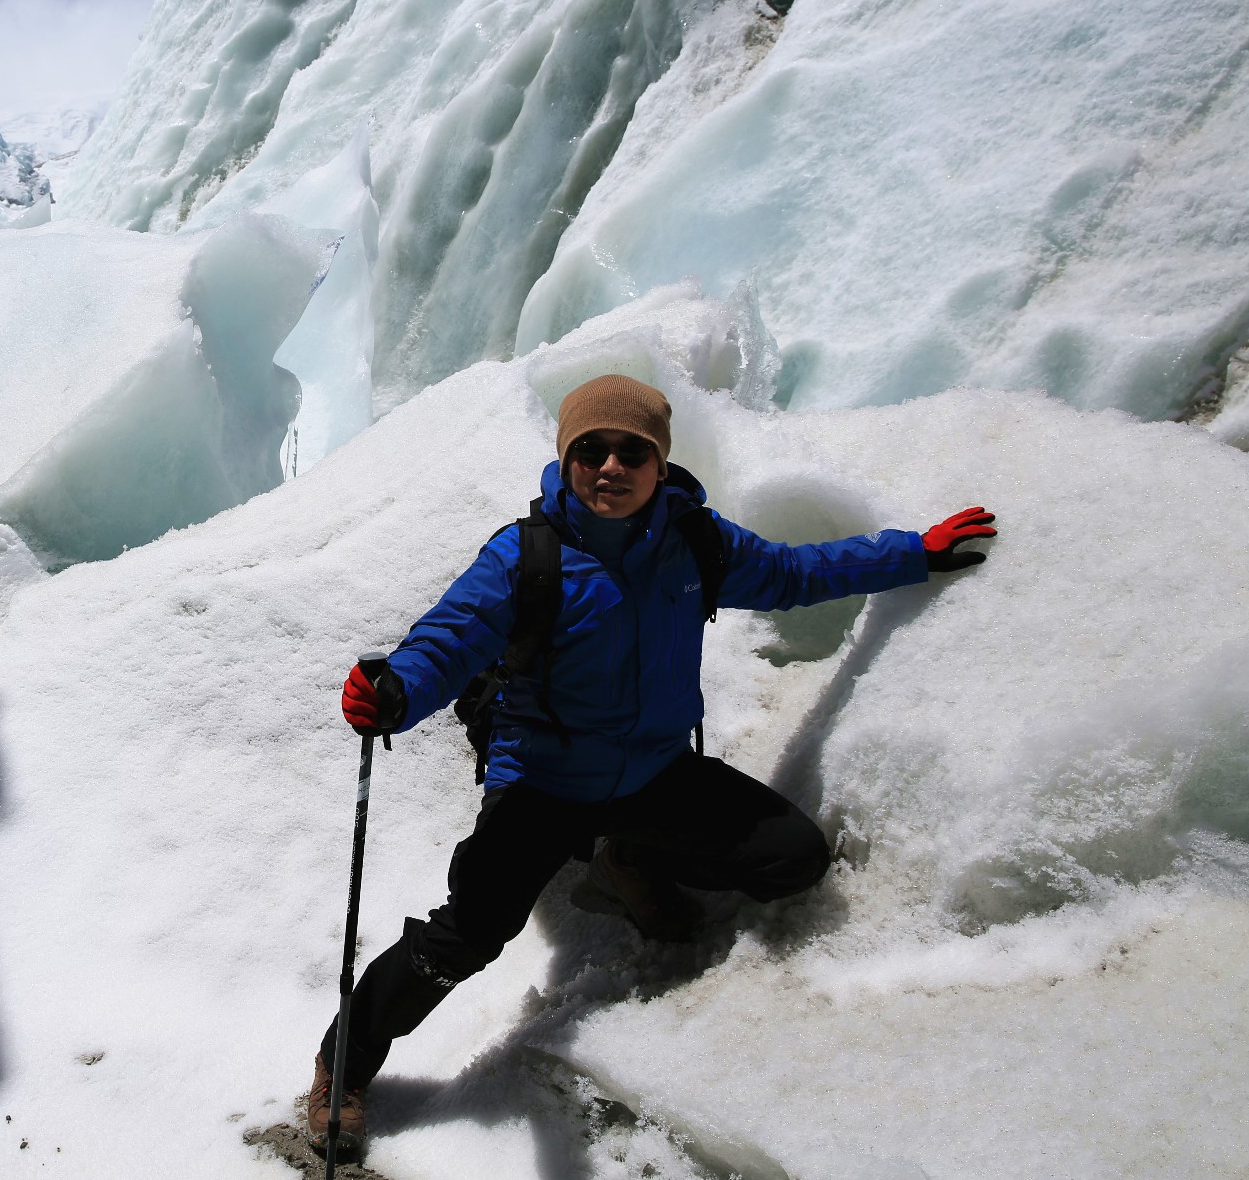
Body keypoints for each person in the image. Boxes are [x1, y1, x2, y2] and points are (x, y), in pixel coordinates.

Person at [305, 374, 996, 1156]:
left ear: (659, 463)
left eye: (631, 450)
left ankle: (626, 856)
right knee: (466, 935)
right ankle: (344, 1064)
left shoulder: (696, 542)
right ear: (567, 460)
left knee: (792, 857)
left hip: (653, 774)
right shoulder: (527, 556)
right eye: (590, 449)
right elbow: (449, 639)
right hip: (542, 783)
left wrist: (912, 553)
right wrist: (394, 694)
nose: (610, 465)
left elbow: (796, 574)